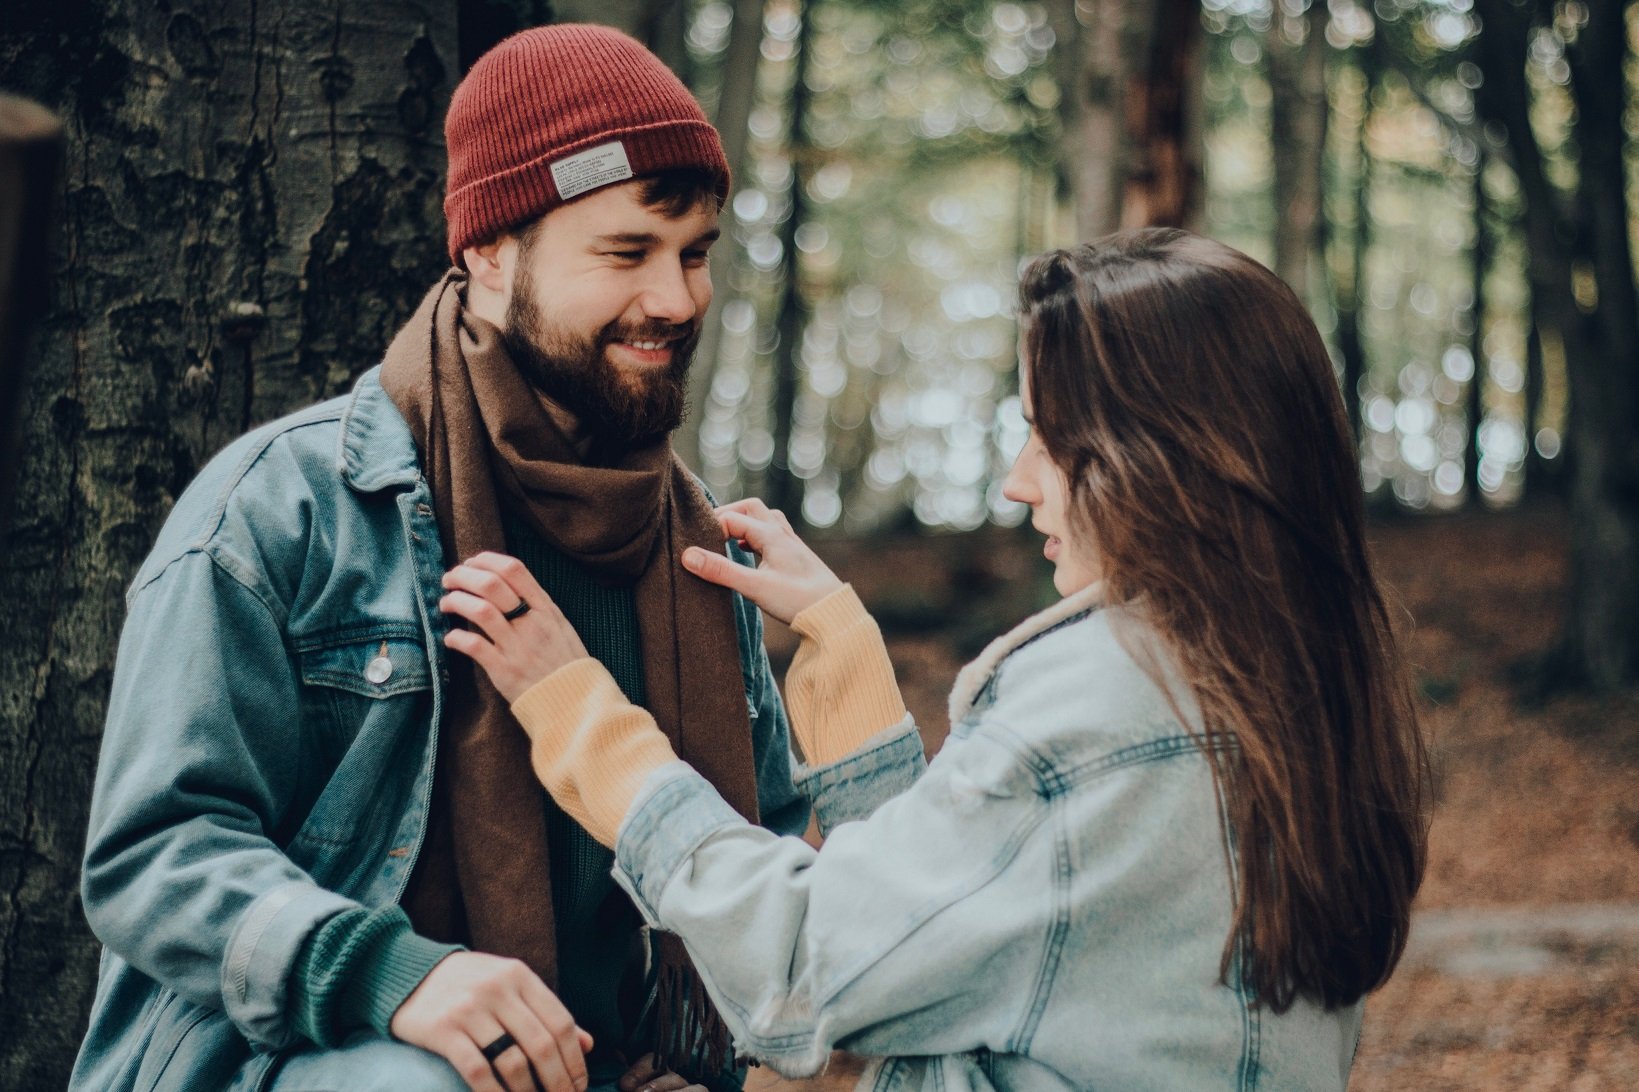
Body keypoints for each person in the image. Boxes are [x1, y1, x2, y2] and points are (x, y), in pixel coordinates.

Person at [441, 229, 1431, 1091]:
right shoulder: (1285, 678)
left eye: (1048, 438)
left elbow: (804, 969)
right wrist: (842, 656)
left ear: (1156, 457)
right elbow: (960, 939)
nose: (1017, 481)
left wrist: (582, 718)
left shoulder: (1102, 702)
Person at [71, 24, 806, 1092]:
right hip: (297, 1059)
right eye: (627, 252)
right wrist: (393, 975)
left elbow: (768, 855)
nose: (678, 300)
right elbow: (154, 855)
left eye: (694, 254)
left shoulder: (697, 553)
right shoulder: (282, 506)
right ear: (490, 253)